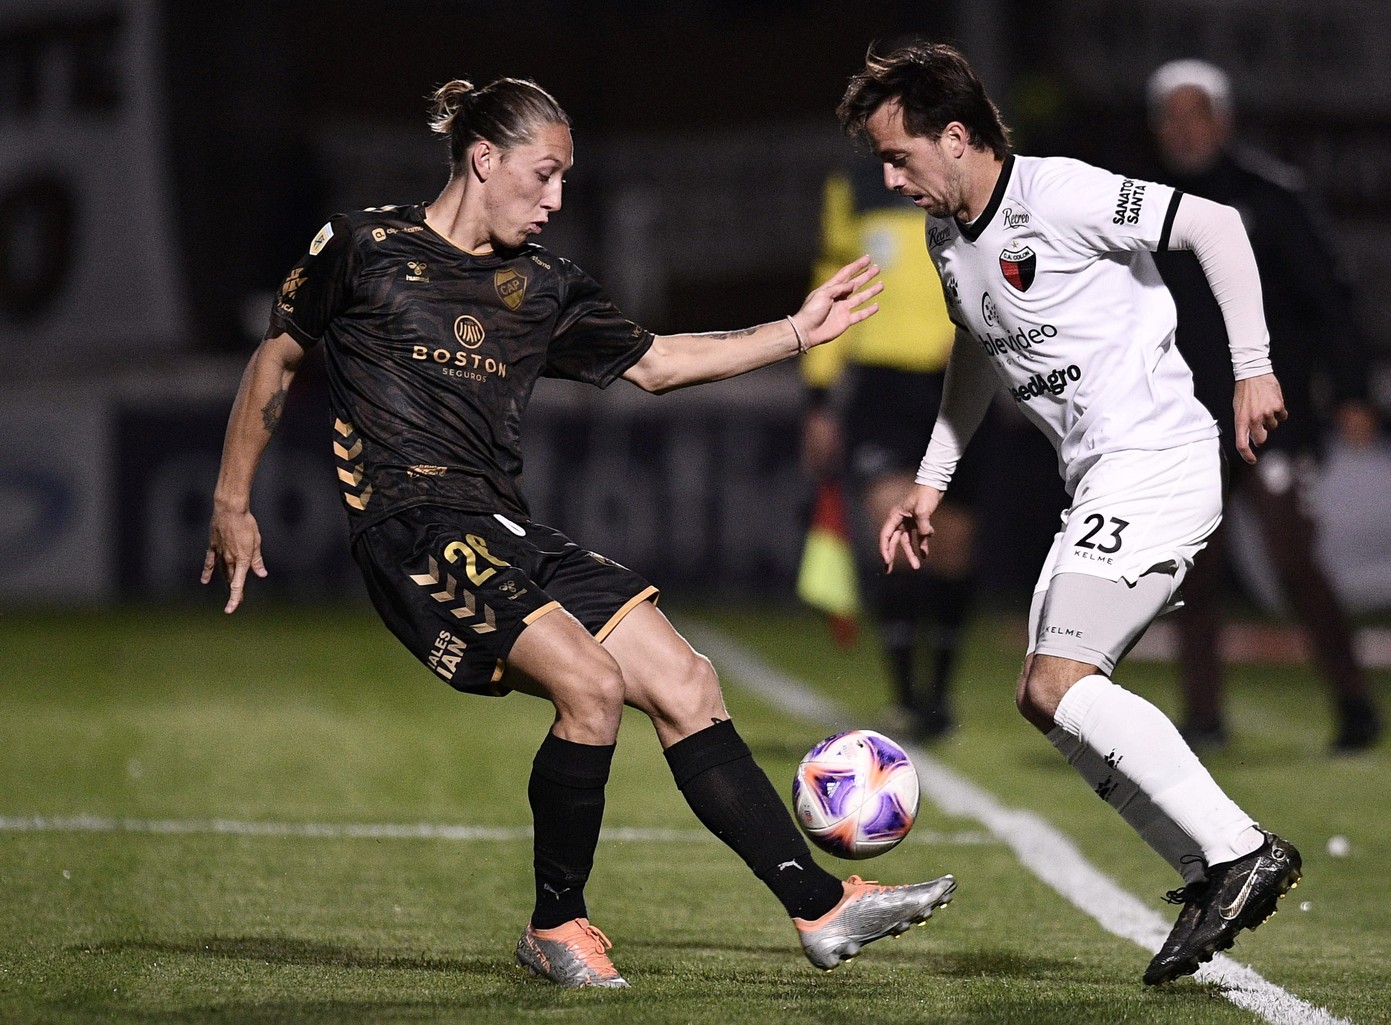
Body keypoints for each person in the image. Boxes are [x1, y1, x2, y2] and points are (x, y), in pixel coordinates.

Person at [201, 76, 956, 990]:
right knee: (591, 687)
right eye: (545, 174)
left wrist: (796, 332)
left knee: (686, 678)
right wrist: (231, 500)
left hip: (502, 524)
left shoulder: (545, 285)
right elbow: (277, 357)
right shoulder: (361, 247)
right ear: (484, 159)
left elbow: (660, 362)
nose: (558, 199)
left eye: (565, 179)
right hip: (410, 527)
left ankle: (821, 906)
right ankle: (556, 923)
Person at [836, 42, 1301, 986]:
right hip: (1096, 483)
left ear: (956, 137)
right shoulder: (946, 237)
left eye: (899, 156)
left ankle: (1240, 848)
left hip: (1158, 464)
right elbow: (974, 346)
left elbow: (1215, 223)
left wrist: (1251, 365)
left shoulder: (1059, 193)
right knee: (1042, 699)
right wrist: (931, 478)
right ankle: (1211, 864)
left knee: (1058, 681)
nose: (890, 177)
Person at [1146, 59, 1384, 754]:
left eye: (1197, 114)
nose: (1184, 130)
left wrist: (1352, 390)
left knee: (1292, 560)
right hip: (1184, 418)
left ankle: (1353, 701)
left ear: (1223, 120)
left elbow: (1330, 297)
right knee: (1190, 571)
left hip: (1270, 412)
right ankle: (1204, 715)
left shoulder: (1270, 196)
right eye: (1171, 117)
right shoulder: (1144, 203)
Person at [799, 158, 991, 741]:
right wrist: (820, 394)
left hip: (959, 377)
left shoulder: (975, 172)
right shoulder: (851, 184)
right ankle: (907, 696)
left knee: (953, 545)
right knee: (898, 530)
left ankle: (939, 696)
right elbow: (833, 282)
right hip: (882, 384)